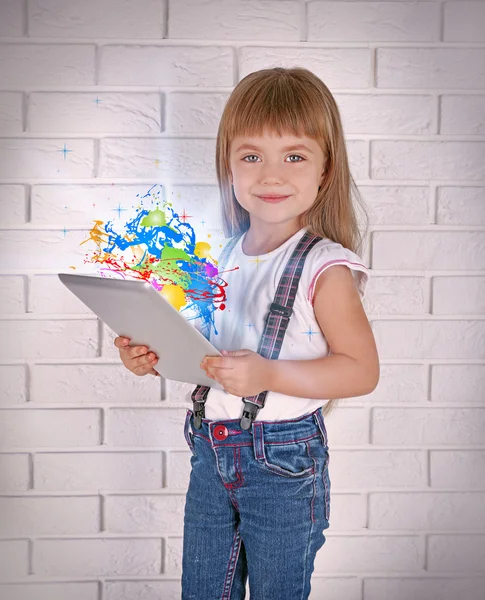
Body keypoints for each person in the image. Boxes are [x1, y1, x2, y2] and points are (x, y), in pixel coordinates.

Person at [114, 66, 380, 599]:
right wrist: (152, 354)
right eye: (251, 156)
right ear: (230, 167)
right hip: (210, 456)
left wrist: (267, 373)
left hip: (281, 465)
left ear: (326, 172)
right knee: (204, 591)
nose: (271, 175)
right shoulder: (223, 257)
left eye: (295, 156)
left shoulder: (324, 268)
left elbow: (362, 371)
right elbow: (208, 355)